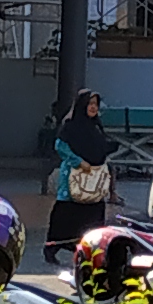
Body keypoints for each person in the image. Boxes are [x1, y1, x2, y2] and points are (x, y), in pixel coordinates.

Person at [52, 90, 116, 244]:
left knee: (93, 213)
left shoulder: (96, 126)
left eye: (96, 104)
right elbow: (60, 146)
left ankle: (90, 245)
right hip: (74, 176)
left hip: (94, 178)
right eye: (90, 104)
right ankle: (56, 244)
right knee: (66, 212)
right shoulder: (70, 126)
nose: (93, 107)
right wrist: (78, 161)